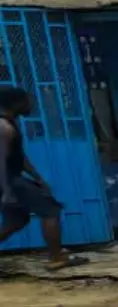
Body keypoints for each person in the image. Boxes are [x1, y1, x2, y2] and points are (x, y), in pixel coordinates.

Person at [0, 85, 88, 269]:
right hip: (8, 181)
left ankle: (57, 253)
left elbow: (19, 156)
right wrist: (7, 191)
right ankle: (56, 258)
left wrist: (37, 178)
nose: (31, 104)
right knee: (50, 210)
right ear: (16, 103)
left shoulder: (10, 123)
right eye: (27, 101)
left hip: (11, 179)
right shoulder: (4, 127)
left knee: (17, 221)